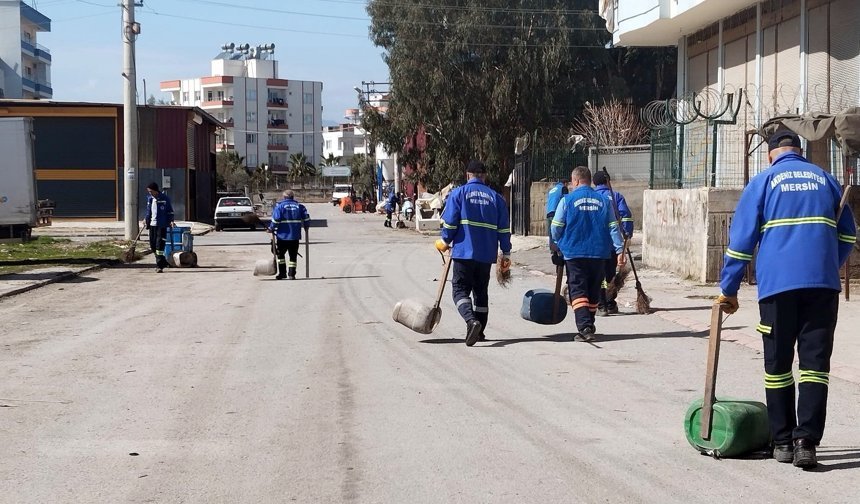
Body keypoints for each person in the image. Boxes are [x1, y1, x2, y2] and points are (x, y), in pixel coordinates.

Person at [718, 130, 856, 469]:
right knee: (814, 366)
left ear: (770, 155)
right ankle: (806, 442)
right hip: (822, 288)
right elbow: (849, 234)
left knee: (777, 366)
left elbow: (740, 243)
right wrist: (826, 263)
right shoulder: (826, 179)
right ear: (801, 151)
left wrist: (728, 288)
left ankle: (782, 442)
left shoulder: (764, 182)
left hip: (778, 287)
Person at [436, 160, 512, 346]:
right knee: (480, 292)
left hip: (463, 252)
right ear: (484, 176)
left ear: (467, 175)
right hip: (486, 255)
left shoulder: (458, 194)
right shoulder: (496, 198)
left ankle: (471, 321)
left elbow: (451, 223)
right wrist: (506, 252)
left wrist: (445, 241)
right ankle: (481, 331)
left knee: (460, 290)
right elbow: (504, 229)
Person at [551, 166, 625, 342]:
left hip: (574, 253)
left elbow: (555, 227)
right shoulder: (603, 201)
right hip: (599, 253)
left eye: (572, 182)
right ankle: (589, 324)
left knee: (577, 289)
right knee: (593, 289)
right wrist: (620, 249)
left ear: (576, 181)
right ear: (589, 180)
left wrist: (559, 244)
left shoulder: (567, 200)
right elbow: (613, 226)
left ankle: (584, 326)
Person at [592, 170, 635, 316]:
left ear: (594, 183)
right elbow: (626, 217)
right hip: (614, 245)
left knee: (599, 276)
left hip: (597, 245)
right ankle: (609, 302)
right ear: (608, 181)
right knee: (610, 275)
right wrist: (627, 234)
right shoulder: (616, 196)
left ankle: (602, 304)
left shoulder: (593, 197)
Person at [267, 189, 311, 280]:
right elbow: (306, 218)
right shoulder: (299, 206)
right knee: (293, 256)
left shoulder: (280, 206)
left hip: (282, 236)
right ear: (292, 197)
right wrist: (306, 226)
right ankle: (292, 274)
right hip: (295, 236)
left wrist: (271, 228)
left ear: (284, 197)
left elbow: (276, 219)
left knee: (280, 256)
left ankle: (282, 273)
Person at [142, 182, 175, 273]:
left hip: (162, 225)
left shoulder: (164, 199)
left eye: (151, 191)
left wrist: (171, 220)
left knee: (159, 246)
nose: (150, 193)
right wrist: (146, 219)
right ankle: (163, 261)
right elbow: (149, 212)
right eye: (149, 191)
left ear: (156, 190)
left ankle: (159, 266)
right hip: (152, 225)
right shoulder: (150, 199)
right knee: (153, 246)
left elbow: (170, 211)